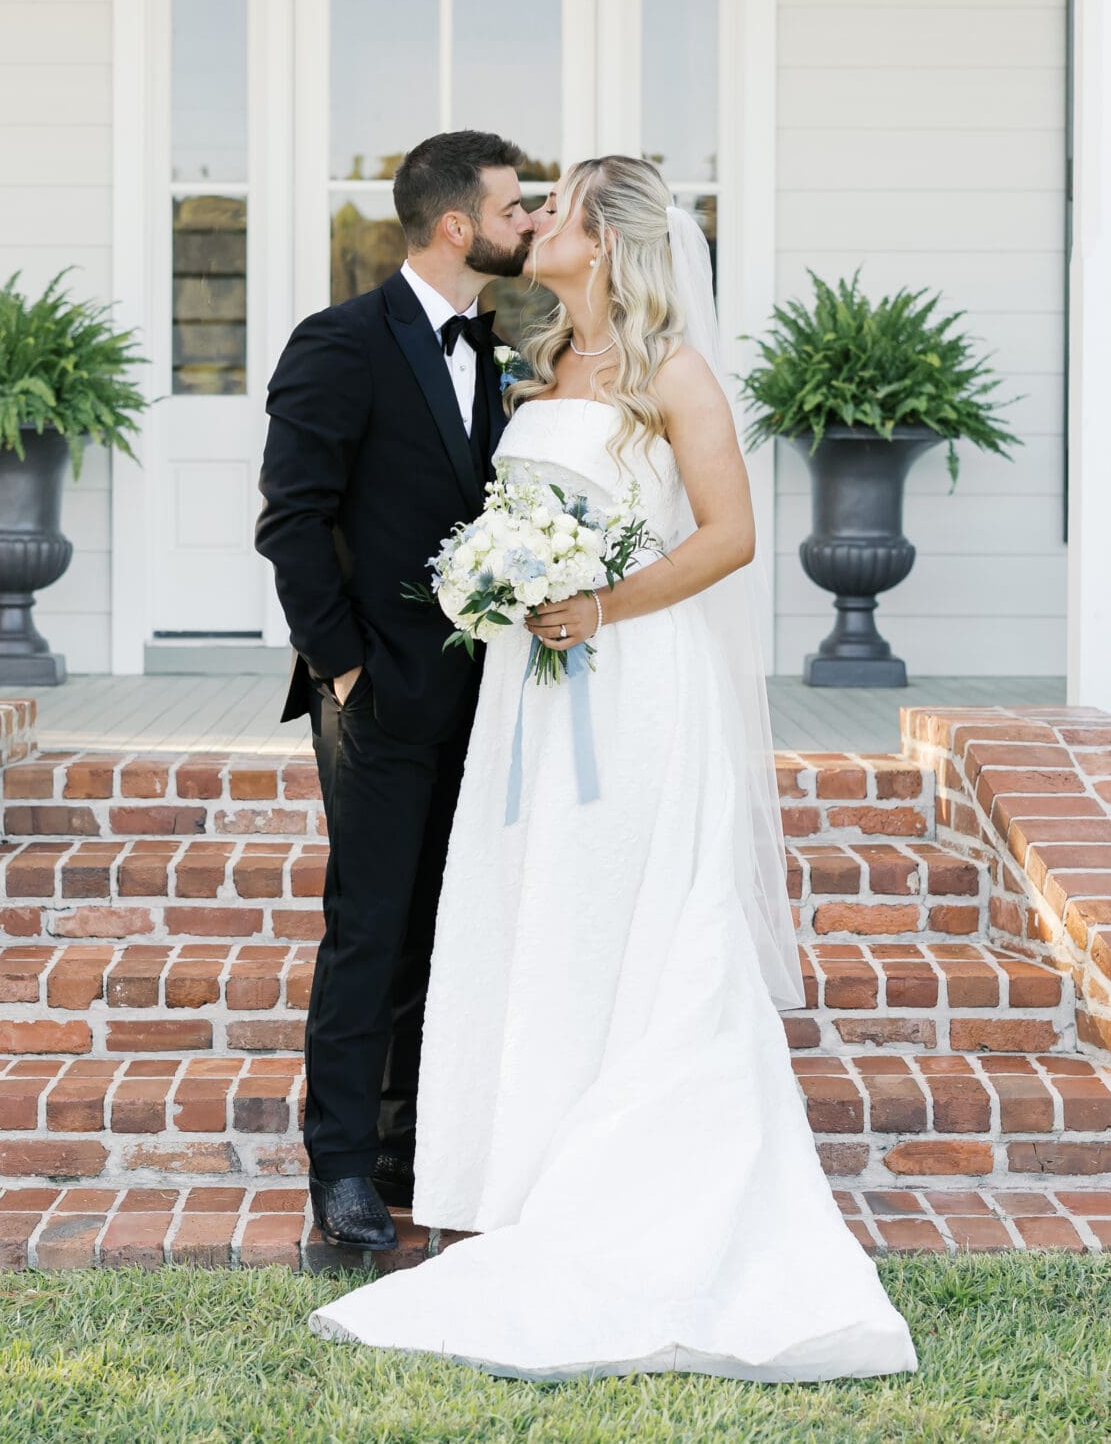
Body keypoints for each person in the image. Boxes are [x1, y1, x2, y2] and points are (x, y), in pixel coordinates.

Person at [301, 155, 918, 1382]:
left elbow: (731, 537)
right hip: (530, 699)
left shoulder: (672, 371)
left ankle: (640, 1185)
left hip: (632, 685)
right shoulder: (537, 365)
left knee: (628, 921)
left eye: (559, 207)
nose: (537, 221)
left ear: (609, 239)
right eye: (530, 206)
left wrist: (600, 604)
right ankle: (532, 1171)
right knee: (542, 913)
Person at [255, 129, 538, 1250]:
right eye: (514, 208)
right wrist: (344, 667)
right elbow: (292, 519)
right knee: (369, 927)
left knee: (446, 923)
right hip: (375, 692)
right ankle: (338, 1168)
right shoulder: (339, 341)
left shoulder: (507, 348)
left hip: (489, 695)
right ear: (458, 224)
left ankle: (409, 1142)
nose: (529, 223)